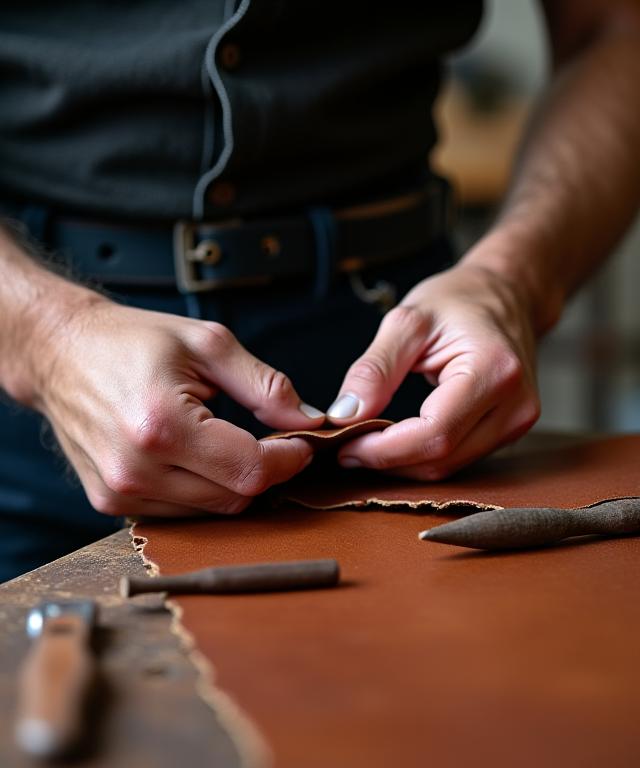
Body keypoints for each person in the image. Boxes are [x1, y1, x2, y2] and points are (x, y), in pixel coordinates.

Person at [0, 1, 639, 581]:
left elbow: (617, 29)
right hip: (34, 398)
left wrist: (512, 281)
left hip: (408, 377)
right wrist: (44, 337)